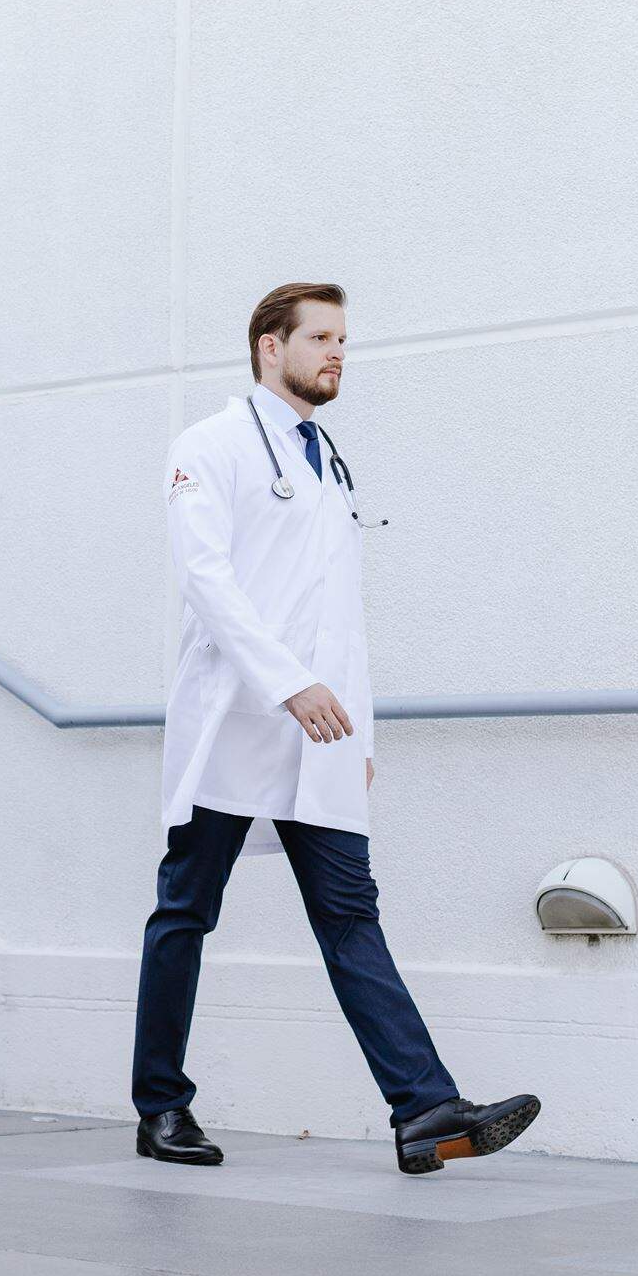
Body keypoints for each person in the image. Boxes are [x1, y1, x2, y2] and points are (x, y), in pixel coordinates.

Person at [131, 280, 541, 1175]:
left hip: (321, 735)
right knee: (186, 911)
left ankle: (423, 1108)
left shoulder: (328, 461)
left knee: (351, 912)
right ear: (268, 347)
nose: (337, 354)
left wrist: (361, 741)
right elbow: (205, 580)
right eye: (320, 338)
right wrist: (288, 685)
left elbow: (341, 618)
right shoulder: (210, 445)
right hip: (237, 722)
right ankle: (159, 1107)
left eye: (342, 340)